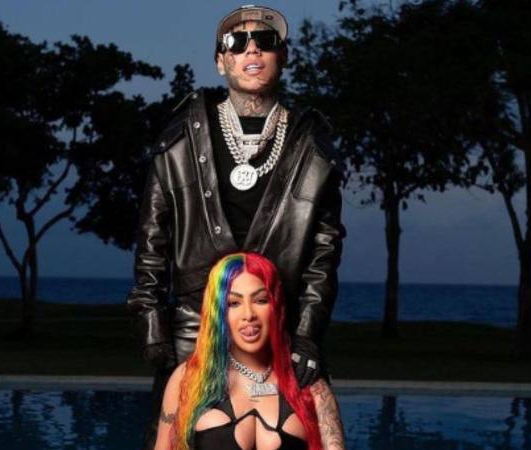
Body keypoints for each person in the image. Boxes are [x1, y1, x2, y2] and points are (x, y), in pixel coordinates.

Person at [127, 5, 345, 448]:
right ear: (220, 60)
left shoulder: (312, 146)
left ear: (283, 56)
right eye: (236, 42)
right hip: (194, 326)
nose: (251, 49)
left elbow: (324, 254)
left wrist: (307, 335)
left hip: (281, 328)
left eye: (265, 41)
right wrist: (151, 320)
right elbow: (152, 239)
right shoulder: (180, 139)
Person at [155, 253, 346, 450]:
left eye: (261, 300)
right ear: (218, 313)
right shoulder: (187, 379)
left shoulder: (312, 386)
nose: (248, 314)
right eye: (234, 303)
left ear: (276, 306)